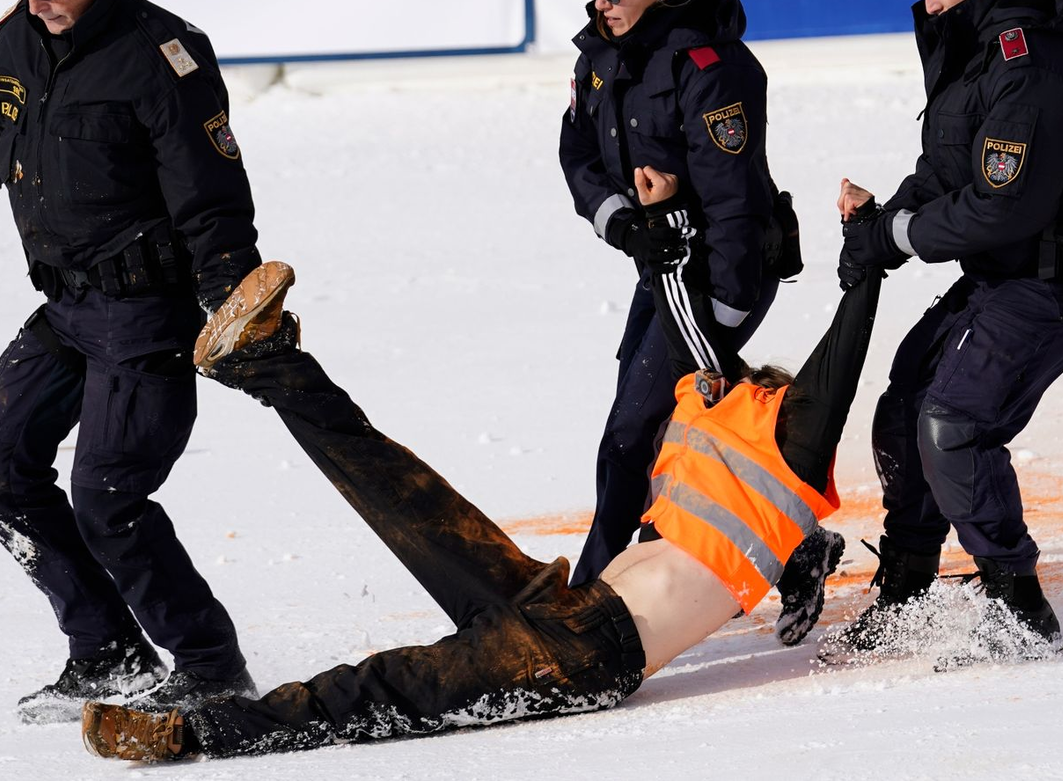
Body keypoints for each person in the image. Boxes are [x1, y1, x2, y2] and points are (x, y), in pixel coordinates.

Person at [80, 174, 877, 761]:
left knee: (382, 689)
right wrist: (668, 220)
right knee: (400, 488)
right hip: (563, 600)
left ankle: (189, 732)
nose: (757, 383)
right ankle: (265, 361)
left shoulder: (793, 450)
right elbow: (691, 324)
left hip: (584, 658)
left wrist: (863, 259)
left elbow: (836, 369)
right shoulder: (721, 413)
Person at [834, 0, 1063, 656]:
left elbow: (1003, 204)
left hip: (1057, 277)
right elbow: (947, 167)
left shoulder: (1031, 64)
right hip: (1007, 270)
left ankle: (1020, 609)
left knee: (955, 423)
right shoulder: (975, 50)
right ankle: (905, 591)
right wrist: (884, 223)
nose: (928, 2)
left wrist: (902, 235)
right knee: (906, 402)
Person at [0, 0, 263, 723]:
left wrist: (232, 290)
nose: (37, 0)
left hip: (145, 309)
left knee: (108, 493)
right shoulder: (12, 40)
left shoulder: (161, 54)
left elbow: (212, 191)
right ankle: (107, 652)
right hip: (67, 304)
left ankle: (210, 663)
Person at [559, 0, 801, 587]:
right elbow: (576, 152)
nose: (600, 2)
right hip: (660, 266)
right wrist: (626, 224)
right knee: (651, 429)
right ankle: (797, 553)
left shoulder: (712, 67)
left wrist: (724, 309)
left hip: (721, 271)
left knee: (632, 435)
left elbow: (733, 200)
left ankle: (590, 596)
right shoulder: (601, 53)